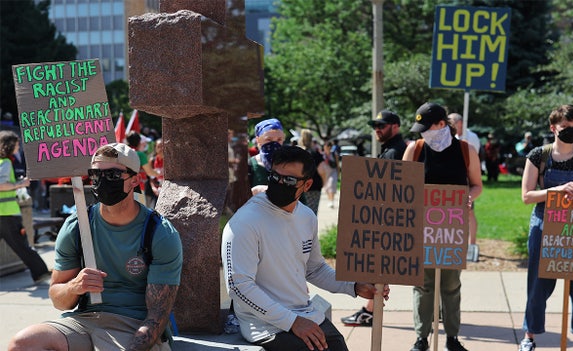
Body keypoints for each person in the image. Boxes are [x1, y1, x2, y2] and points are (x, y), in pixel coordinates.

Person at [9, 143, 183, 351]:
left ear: (135, 180)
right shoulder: (77, 226)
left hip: (133, 326)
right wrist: (75, 286)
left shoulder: (159, 233)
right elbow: (58, 299)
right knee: (22, 344)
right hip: (83, 321)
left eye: (112, 175)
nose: (101, 182)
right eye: (95, 175)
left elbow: (157, 316)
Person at [222, 145, 389, 351]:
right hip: (264, 325)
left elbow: (315, 269)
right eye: (275, 176)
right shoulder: (245, 222)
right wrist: (292, 322)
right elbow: (238, 286)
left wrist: (353, 286)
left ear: (307, 184)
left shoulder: (306, 216)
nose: (280, 183)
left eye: (289, 180)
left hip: (305, 314)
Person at [519, 105, 573, 351]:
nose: (571, 131)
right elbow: (526, 196)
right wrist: (556, 190)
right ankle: (530, 336)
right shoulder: (539, 155)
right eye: (566, 126)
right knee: (537, 285)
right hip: (545, 225)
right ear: (553, 127)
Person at [402, 102, 482, 351]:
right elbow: (402, 186)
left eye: (427, 127)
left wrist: (469, 197)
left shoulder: (465, 150)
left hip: (452, 228)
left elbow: (477, 185)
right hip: (421, 227)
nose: (423, 132)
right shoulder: (415, 150)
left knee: (450, 284)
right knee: (422, 284)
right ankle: (421, 337)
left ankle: (452, 337)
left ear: (441, 124)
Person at [341, 109, 406, 328]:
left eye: (382, 125)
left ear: (395, 126)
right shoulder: (391, 149)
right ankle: (370, 309)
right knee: (380, 268)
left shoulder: (395, 152)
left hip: (388, 219)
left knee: (380, 268)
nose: (377, 129)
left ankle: (370, 311)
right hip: (386, 217)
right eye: (375, 126)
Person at [0, 130, 50, 283]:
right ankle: (41, 273)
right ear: (9, 145)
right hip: (7, 213)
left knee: (20, 244)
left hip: (4, 213)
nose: (18, 147)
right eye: (16, 144)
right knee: (21, 245)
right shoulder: (6, 162)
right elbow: (1, 185)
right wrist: (20, 184)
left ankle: (41, 272)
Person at [448, 113, 481, 262]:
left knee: (469, 212)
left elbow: (475, 156)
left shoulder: (471, 137)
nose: (451, 124)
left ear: (460, 122)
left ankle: (471, 244)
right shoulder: (449, 136)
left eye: (453, 121)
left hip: (467, 179)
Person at [248, 118, 286, 195]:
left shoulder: (290, 165)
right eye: (268, 139)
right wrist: (254, 191)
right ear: (258, 140)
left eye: (279, 140)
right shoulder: (250, 165)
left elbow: (301, 200)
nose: (274, 144)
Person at [298, 129, 324, 214]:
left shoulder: (297, 154)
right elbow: (322, 170)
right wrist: (323, 182)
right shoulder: (316, 154)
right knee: (312, 212)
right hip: (314, 185)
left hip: (298, 186)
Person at [321, 141, 340, 209]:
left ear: (330, 147)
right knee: (327, 188)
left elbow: (337, 165)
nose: (325, 148)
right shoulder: (322, 155)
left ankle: (331, 201)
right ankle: (329, 199)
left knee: (331, 185)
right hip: (325, 173)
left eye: (327, 147)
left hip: (333, 172)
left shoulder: (334, 154)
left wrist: (338, 173)